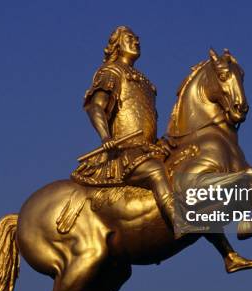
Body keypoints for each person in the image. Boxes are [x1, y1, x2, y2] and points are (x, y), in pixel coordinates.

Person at [71, 26, 189, 237]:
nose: (136, 41)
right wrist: (106, 137)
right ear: (116, 46)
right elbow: (96, 106)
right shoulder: (111, 72)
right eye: (129, 38)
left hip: (148, 148)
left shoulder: (144, 80)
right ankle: (178, 222)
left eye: (136, 38)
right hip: (125, 152)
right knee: (156, 172)